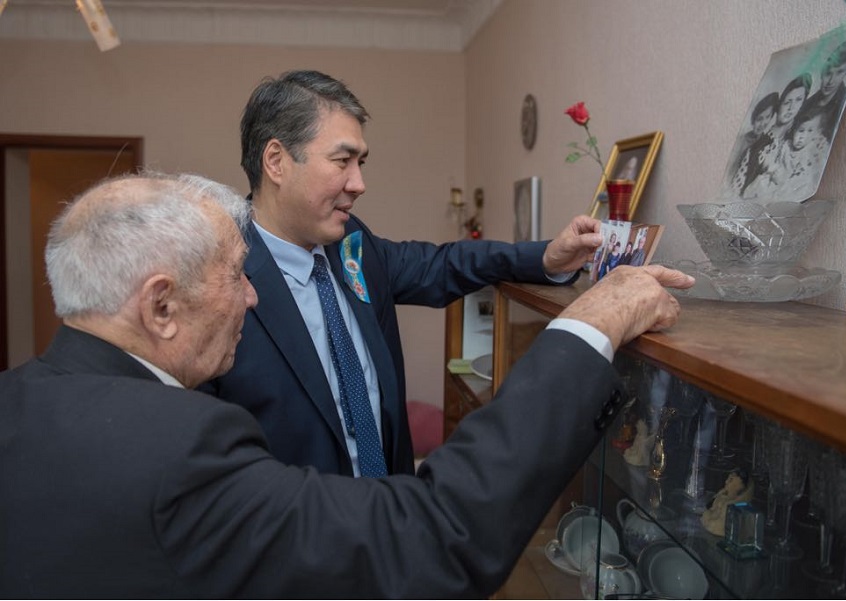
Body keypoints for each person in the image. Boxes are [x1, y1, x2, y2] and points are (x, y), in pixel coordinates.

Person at [0, 171, 694, 597]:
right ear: (160, 306)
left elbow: (439, 263)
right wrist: (590, 325)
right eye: (235, 275)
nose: (251, 295)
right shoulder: (182, 448)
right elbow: (436, 537)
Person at [200, 70, 605, 477]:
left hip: (390, 500)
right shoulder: (214, 282)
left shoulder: (353, 242)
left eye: (360, 163)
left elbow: (443, 264)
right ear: (276, 161)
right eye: (342, 161)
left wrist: (545, 258)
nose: (359, 183)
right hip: (301, 514)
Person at [733, 73, 812, 199]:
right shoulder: (757, 146)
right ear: (779, 105)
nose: (791, 108)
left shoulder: (797, 142)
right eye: (787, 102)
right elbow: (736, 189)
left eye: (798, 100)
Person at [800, 38, 846, 142]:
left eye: (839, 72)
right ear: (821, 72)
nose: (831, 81)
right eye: (828, 72)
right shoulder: (805, 106)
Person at [727, 92, 779, 182]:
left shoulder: (767, 142)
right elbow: (730, 172)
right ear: (753, 120)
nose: (763, 124)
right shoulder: (741, 141)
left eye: (768, 117)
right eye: (759, 119)